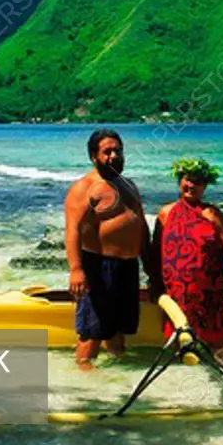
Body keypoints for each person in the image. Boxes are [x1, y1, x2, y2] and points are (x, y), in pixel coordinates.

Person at [64, 128, 160, 370]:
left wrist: (150, 269)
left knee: (118, 329)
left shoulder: (128, 185)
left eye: (118, 150)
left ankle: (115, 381)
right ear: (93, 156)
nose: (114, 156)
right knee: (92, 332)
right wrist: (76, 269)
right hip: (98, 266)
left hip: (127, 267)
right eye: (107, 152)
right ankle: (84, 381)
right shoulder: (84, 187)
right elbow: (72, 230)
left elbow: (141, 229)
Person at [152, 157, 223, 354]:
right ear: (179, 181)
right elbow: (155, 251)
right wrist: (156, 285)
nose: (191, 186)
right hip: (177, 290)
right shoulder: (166, 213)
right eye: (187, 180)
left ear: (205, 186)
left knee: (216, 342)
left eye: (198, 182)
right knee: (180, 337)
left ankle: (219, 371)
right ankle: (185, 380)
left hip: (210, 289)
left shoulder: (212, 213)